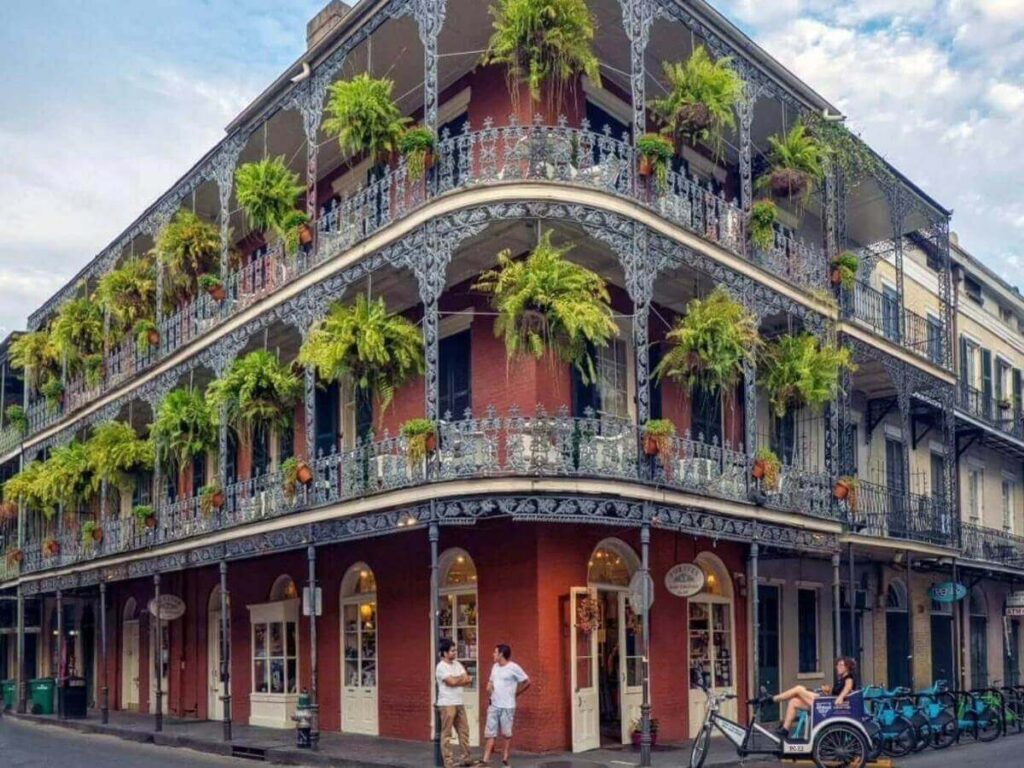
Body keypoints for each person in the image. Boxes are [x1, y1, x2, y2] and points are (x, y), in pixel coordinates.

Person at [771, 657, 859, 740]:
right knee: (793, 702)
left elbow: (848, 688)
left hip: (827, 705)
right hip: (826, 703)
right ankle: (785, 730)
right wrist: (828, 691)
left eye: (841, 665)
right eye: (837, 665)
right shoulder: (841, 679)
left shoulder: (849, 678)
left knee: (798, 689)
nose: (838, 667)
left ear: (847, 667)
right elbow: (836, 692)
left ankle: (772, 699)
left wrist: (840, 697)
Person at [477, 644, 530, 767]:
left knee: (506, 734)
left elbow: (527, 681)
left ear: (501, 654)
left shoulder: (514, 667)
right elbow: (491, 682)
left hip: (507, 706)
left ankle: (505, 758)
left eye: (495, 652)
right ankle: (485, 760)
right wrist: (489, 687)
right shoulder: (495, 667)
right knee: (490, 733)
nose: (493, 654)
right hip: (494, 705)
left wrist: (517, 693)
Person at [436, 638, 475, 768]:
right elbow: (452, 682)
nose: (455, 652)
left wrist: (456, 680)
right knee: (446, 734)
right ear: (445, 653)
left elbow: (468, 679)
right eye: (452, 651)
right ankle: (449, 762)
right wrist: (460, 680)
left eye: (455, 650)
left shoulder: (457, 664)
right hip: (447, 704)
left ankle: (466, 758)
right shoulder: (441, 667)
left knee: (464, 731)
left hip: (459, 702)